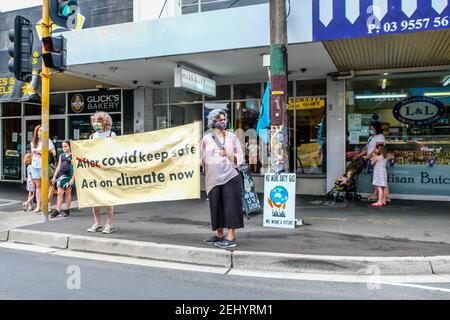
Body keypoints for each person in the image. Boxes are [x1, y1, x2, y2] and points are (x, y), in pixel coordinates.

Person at [201, 109, 244, 249]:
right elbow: (201, 158)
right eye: (220, 119)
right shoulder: (206, 138)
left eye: (224, 119)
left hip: (230, 176)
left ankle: (231, 236)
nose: (223, 122)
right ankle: (219, 235)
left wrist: (228, 154)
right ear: (213, 122)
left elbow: (240, 158)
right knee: (216, 206)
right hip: (213, 178)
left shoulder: (232, 137)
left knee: (232, 206)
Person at [86, 112, 117, 234]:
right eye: (94, 122)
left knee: (108, 199)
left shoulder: (111, 135)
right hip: (95, 171)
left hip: (108, 171)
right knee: (95, 198)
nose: (95, 124)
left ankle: (109, 224)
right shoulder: (92, 136)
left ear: (104, 122)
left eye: (98, 122)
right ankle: (97, 223)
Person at [356, 121, 390, 201]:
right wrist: (359, 155)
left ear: (376, 128)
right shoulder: (372, 137)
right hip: (373, 159)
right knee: (378, 178)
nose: (371, 130)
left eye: (372, 128)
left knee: (380, 179)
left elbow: (378, 148)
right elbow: (368, 148)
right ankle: (377, 195)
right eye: (370, 129)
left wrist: (368, 156)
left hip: (377, 160)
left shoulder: (380, 136)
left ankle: (385, 197)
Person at [30, 125, 56, 213]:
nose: (41, 132)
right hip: (34, 165)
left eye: (42, 130)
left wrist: (42, 152)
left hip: (44, 165)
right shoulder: (33, 142)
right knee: (38, 186)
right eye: (39, 130)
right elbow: (31, 154)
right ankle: (38, 206)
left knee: (47, 185)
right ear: (36, 132)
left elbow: (54, 153)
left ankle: (48, 205)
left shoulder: (48, 141)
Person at [50, 140, 75, 218]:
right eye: (63, 146)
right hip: (61, 176)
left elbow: (75, 168)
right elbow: (58, 166)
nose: (63, 148)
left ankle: (67, 209)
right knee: (59, 193)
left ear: (70, 147)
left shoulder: (73, 156)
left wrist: (73, 179)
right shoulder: (61, 155)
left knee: (68, 193)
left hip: (69, 176)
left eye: (65, 146)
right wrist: (54, 176)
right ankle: (58, 210)